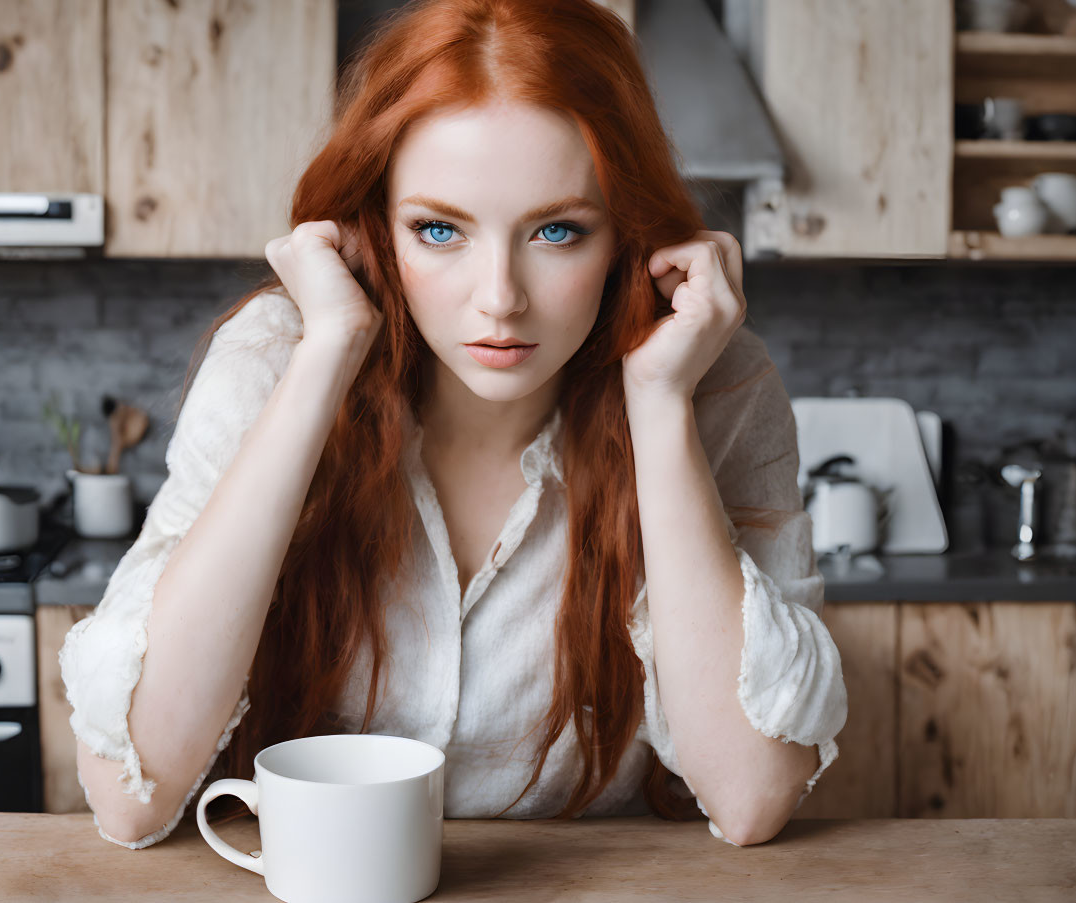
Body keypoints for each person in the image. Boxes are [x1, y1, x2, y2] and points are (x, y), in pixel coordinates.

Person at [59, 0, 847, 851]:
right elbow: (130, 796)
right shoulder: (274, 359)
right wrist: (326, 353)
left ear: (625, 233)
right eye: (438, 230)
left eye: (557, 231)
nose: (499, 298)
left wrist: (658, 405)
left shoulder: (712, 380)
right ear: (374, 230)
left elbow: (751, 795)